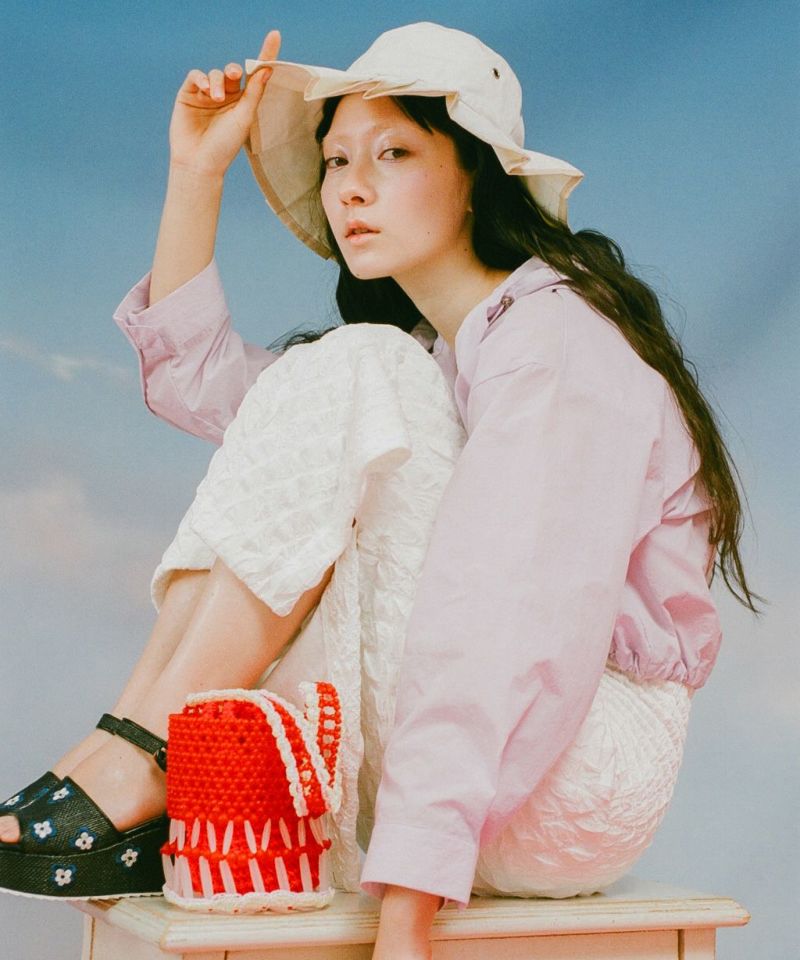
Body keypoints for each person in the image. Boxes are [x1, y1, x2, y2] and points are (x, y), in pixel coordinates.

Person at [0, 21, 761, 959]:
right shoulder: (427, 358)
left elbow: (507, 607)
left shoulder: (555, 342)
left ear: (476, 174)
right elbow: (216, 394)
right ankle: (135, 742)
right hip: (494, 767)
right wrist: (197, 173)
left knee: (355, 366)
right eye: (336, 161)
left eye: (393, 153)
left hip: (576, 770)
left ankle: (148, 753)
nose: (351, 188)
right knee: (333, 381)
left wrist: (407, 914)